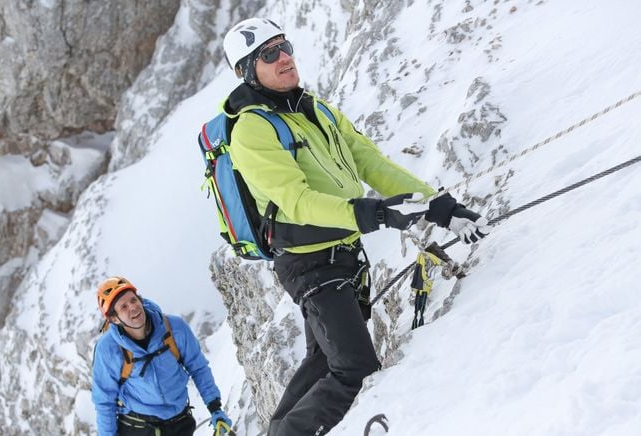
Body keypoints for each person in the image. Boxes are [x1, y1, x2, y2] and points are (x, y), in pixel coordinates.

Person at [220, 18, 491, 436]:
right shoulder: (252, 130)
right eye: (269, 54)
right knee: (355, 368)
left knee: (324, 362)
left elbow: (371, 163)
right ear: (247, 70)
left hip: (341, 256)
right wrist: (373, 213)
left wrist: (440, 206)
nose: (284, 57)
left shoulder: (316, 109)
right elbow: (296, 201)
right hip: (309, 263)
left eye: (285, 46)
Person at [92, 276, 233, 436]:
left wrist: (215, 408)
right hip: (137, 428)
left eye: (133, 300)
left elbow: (198, 368)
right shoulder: (108, 349)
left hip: (180, 424)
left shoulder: (174, 329)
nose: (133, 307)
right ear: (114, 319)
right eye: (123, 306)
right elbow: (104, 401)